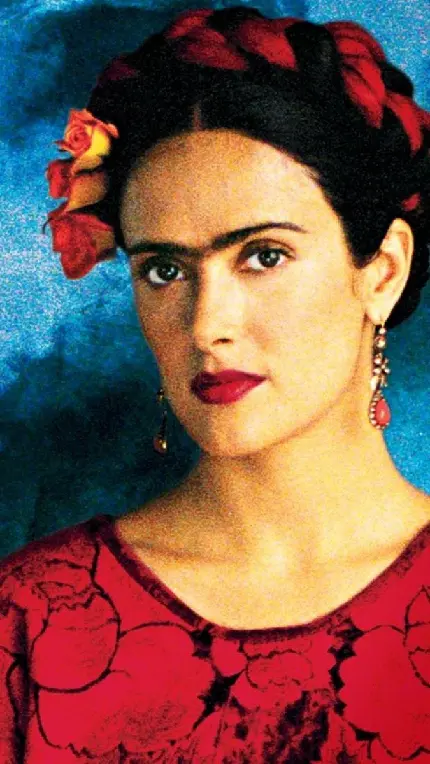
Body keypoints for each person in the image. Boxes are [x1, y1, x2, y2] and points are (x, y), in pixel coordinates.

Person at [1, 6, 430, 761]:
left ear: (382, 272)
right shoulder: (28, 620)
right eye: (165, 270)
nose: (205, 325)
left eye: (263, 256)